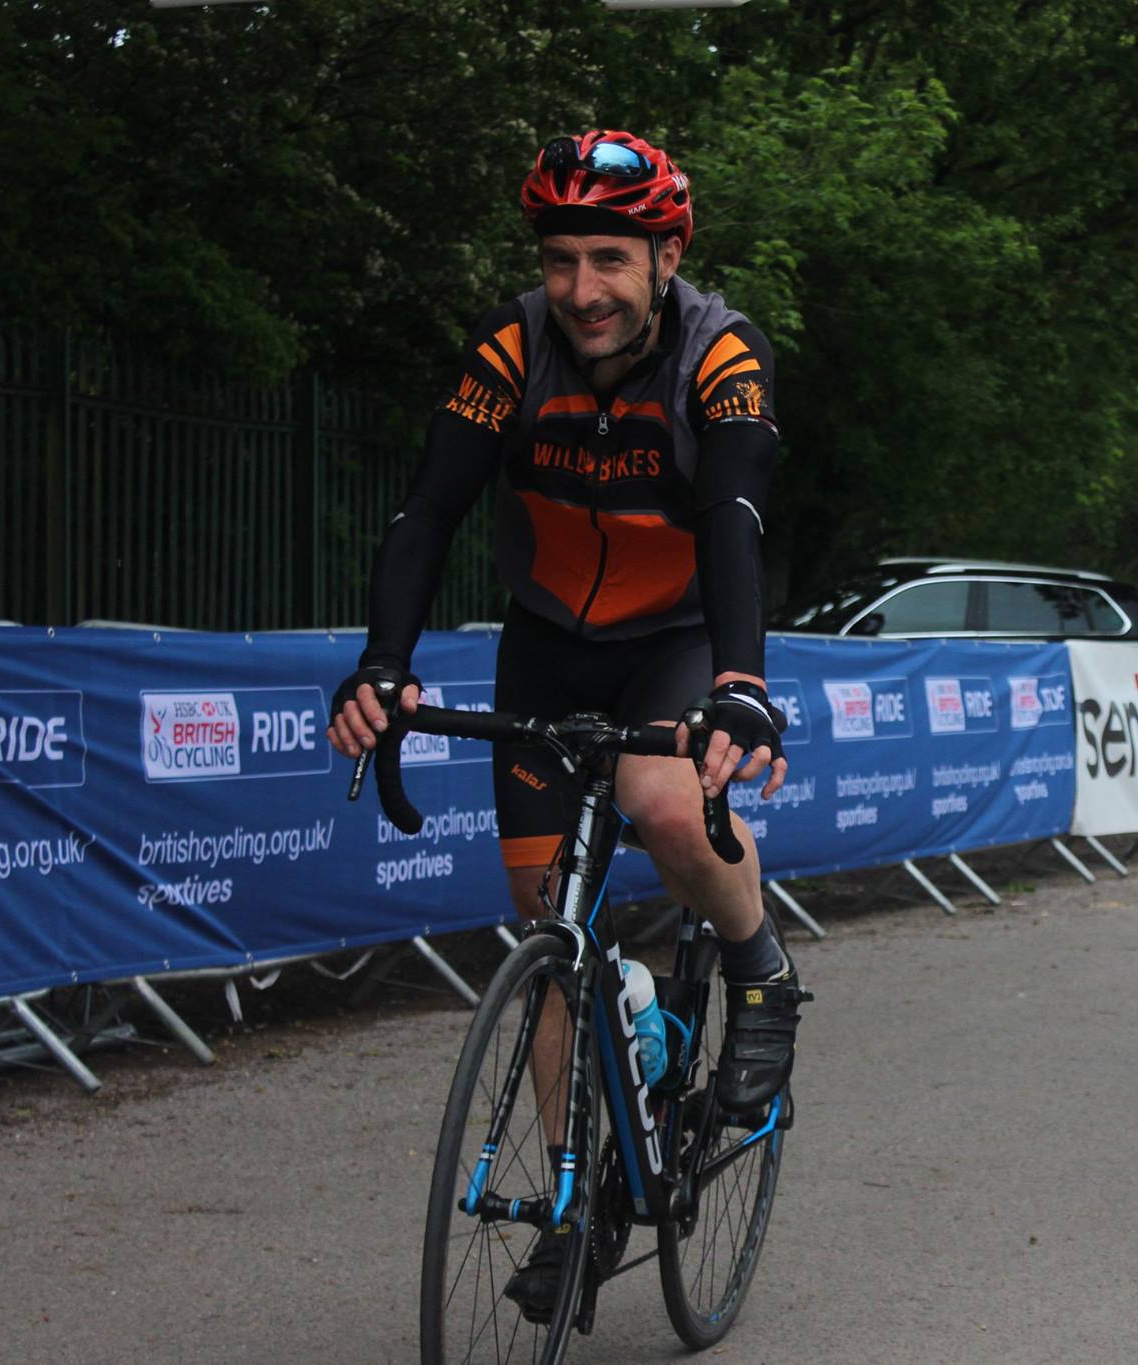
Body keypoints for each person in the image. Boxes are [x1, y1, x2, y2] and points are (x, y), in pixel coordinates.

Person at [324, 129, 804, 1316]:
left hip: (676, 640)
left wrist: (738, 681)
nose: (580, 290)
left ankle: (759, 970)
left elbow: (734, 514)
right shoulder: (510, 348)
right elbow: (428, 512)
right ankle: (584, 1198)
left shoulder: (718, 352)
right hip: (548, 642)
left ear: (664, 256)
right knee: (549, 935)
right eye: (558, 261)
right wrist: (382, 664)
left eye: (608, 259)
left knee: (660, 803)